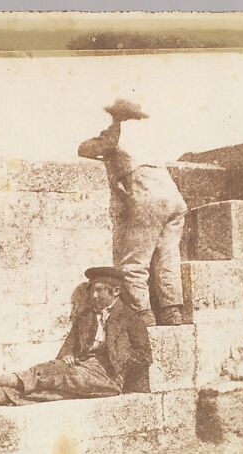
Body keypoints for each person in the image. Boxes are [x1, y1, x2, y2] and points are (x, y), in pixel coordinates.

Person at [0, 267, 152, 408]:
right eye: (92, 290)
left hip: (110, 376)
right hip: (82, 367)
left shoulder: (131, 319)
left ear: (116, 291)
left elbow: (145, 356)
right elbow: (70, 344)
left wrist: (120, 357)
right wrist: (66, 355)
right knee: (55, 383)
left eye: (99, 290)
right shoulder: (86, 317)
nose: (93, 295)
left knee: (63, 376)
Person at [78, 99, 187, 326]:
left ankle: (143, 315)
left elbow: (86, 149)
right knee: (167, 258)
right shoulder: (151, 135)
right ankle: (172, 312)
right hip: (173, 197)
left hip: (147, 197)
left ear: (119, 116)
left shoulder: (117, 131)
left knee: (133, 261)